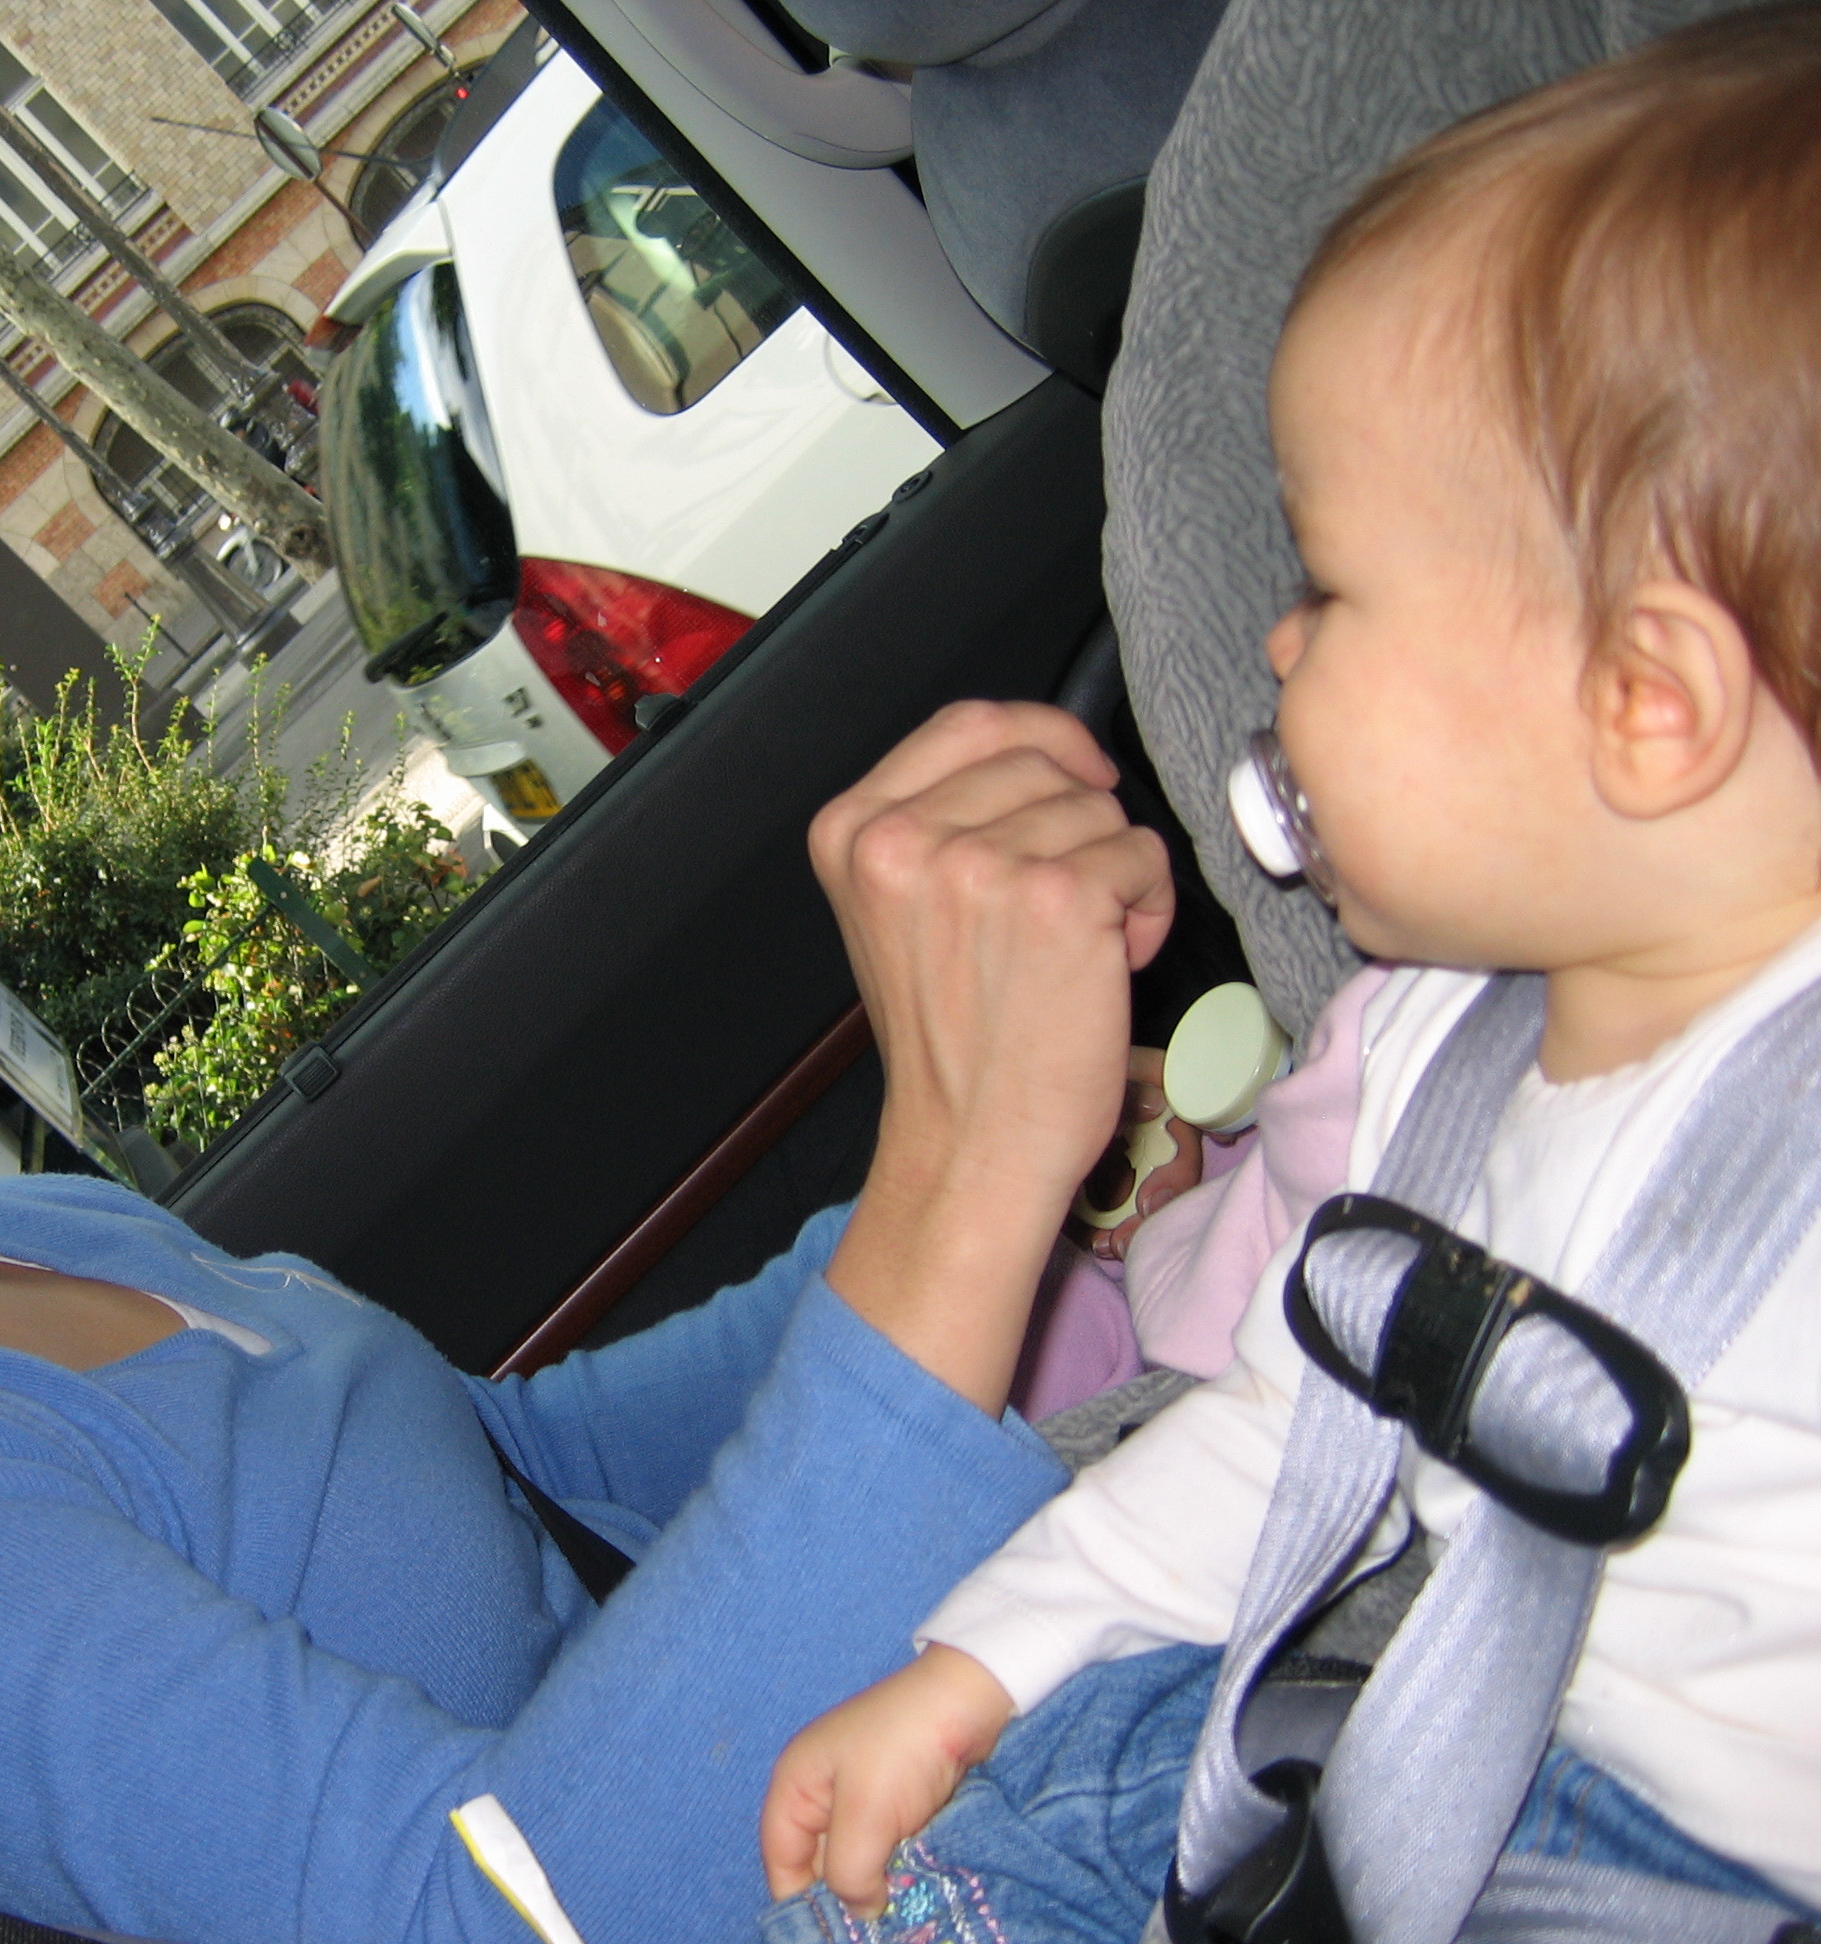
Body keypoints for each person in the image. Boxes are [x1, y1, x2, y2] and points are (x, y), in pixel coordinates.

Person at [0, 571, 1194, 1939]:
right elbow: (491, 1914)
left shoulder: (3, 1238)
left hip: (809, 1801)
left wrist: (1060, 1213)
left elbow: (529, 1479)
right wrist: (958, 1183)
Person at [760, 11, 1821, 1939]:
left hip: (1707, 1858)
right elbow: (1291, 1432)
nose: (1274, 640)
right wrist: (988, 1658)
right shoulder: (1435, 1050)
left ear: (1645, 705)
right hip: (1436, 1752)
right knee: (944, 1851)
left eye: (1331, 591)